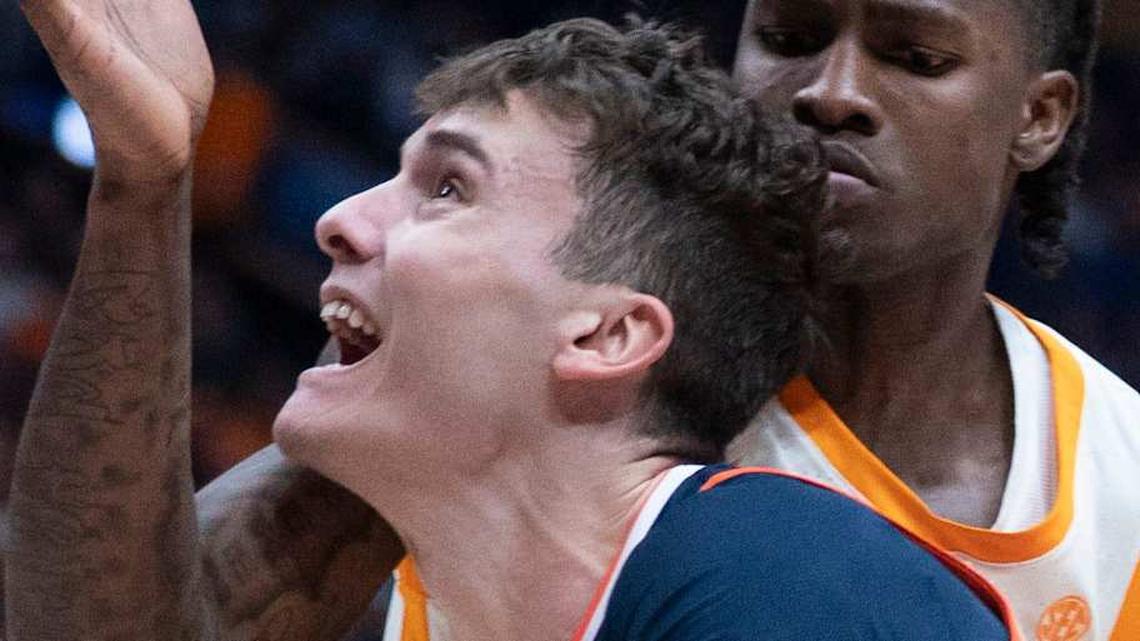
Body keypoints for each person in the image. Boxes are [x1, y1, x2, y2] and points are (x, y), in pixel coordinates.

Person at [8, 0, 1137, 640]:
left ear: (1040, 116)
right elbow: (103, 630)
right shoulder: (485, 383)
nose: (829, 91)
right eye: (787, 34)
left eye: (915, 56)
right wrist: (144, 187)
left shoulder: (1114, 477)